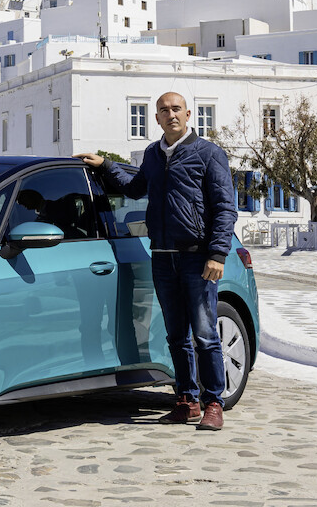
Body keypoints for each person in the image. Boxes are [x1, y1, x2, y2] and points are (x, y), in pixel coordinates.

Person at [75, 91, 235, 430]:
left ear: (188, 114)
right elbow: (134, 188)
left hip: (197, 258)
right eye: (164, 111)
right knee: (176, 335)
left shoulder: (208, 154)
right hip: (162, 256)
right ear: (157, 118)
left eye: (176, 109)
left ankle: (214, 402)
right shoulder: (152, 154)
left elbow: (225, 208)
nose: (171, 115)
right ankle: (187, 399)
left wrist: (217, 254)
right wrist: (106, 166)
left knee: (205, 335)